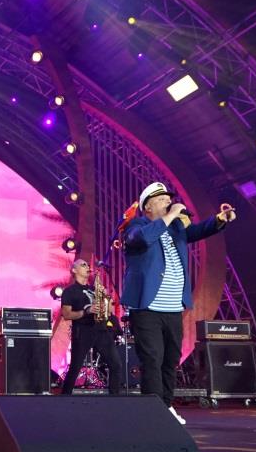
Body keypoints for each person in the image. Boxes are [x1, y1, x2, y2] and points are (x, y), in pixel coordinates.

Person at [120, 181, 236, 425]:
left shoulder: (175, 229)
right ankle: (153, 411)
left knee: (170, 359)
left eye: (168, 200)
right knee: (152, 358)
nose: (168, 202)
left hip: (173, 309)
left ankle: (165, 406)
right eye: (162, 200)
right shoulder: (137, 226)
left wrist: (220, 219)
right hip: (147, 308)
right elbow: (142, 239)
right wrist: (171, 215)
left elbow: (197, 231)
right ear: (148, 206)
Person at [60, 259, 124, 395]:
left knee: (116, 364)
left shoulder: (94, 289)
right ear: (74, 270)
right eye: (83, 265)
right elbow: (66, 314)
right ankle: (64, 397)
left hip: (101, 331)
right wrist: (86, 311)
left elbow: (108, 310)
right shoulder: (70, 291)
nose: (87, 266)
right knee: (75, 368)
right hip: (83, 332)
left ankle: (115, 400)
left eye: (88, 265)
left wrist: (106, 301)